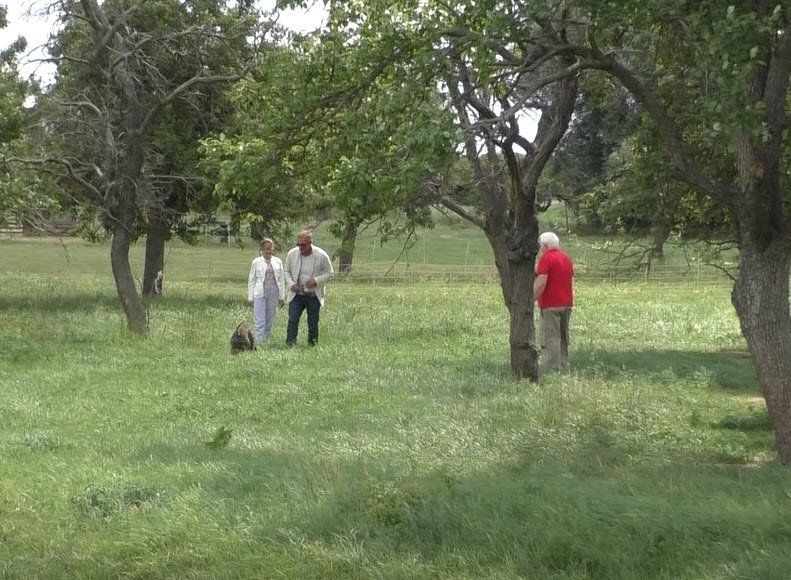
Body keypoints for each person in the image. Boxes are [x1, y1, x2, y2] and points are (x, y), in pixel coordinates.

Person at [284, 230, 335, 346]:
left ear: (310, 243)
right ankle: (290, 344)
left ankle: (312, 345)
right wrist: (291, 284)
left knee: (312, 323)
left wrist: (316, 281)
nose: (300, 247)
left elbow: (330, 273)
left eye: (303, 245)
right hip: (297, 295)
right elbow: (286, 271)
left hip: (313, 295)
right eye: (298, 244)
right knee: (292, 320)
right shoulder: (292, 254)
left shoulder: (321, 255)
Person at [534, 231, 574, 370]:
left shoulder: (546, 258)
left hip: (550, 304)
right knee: (563, 337)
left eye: (540, 246)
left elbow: (541, 282)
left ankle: (553, 369)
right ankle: (564, 365)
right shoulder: (566, 258)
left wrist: (531, 299)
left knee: (551, 338)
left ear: (545, 246)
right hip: (567, 303)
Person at [247, 238, 286, 343]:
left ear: (273, 249)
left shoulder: (278, 261)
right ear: (262, 249)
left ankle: (265, 342)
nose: (268, 251)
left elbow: (281, 279)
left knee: (270, 319)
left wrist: (282, 296)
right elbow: (252, 280)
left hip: (273, 291)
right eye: (266, 249)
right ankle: (258, 343)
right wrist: (250, 297)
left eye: (270, 248)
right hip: (259, 292)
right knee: (260, 320)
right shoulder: (256, 262)